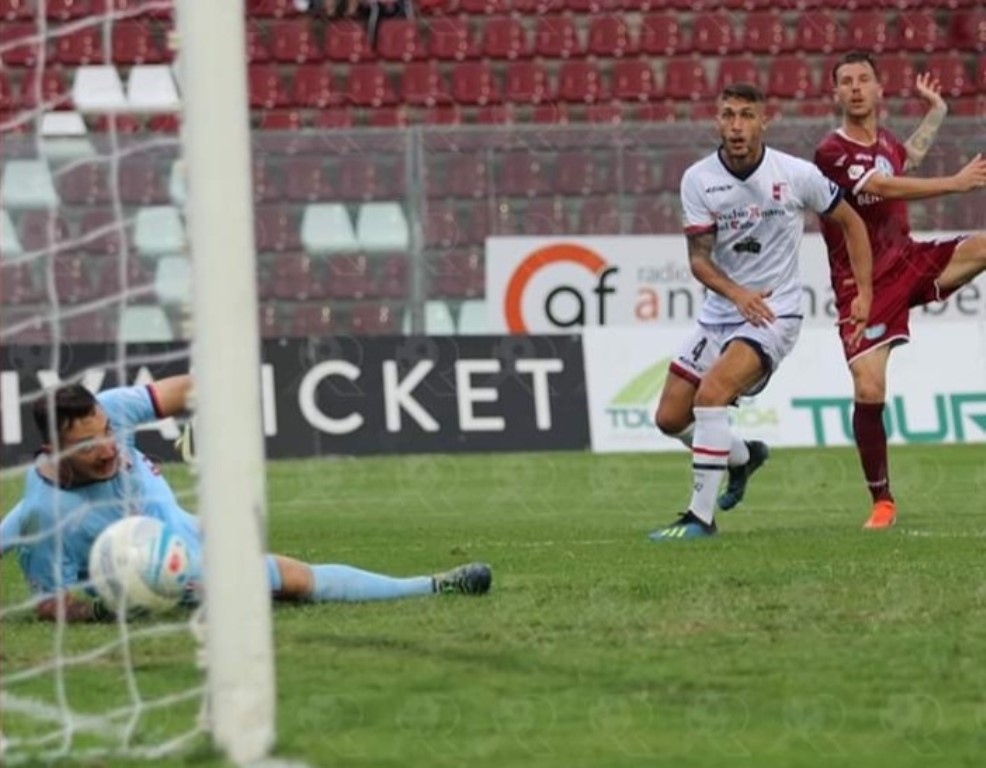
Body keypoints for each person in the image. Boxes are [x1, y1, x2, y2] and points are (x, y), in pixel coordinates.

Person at [0, 376, 491, 622]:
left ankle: (432, 585)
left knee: (288, 575)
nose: (109, 448)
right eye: (90, 446)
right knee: (293, 580)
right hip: (161, 564)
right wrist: (112, 606)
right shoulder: (48, 516)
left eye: (109, 433)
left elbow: (194, 384)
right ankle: (429, 586)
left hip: (178, 525)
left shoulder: (111, 409)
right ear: (54, 450)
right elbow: (51, 602)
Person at [650, 83, 874, 541]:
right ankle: (743, 457)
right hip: (721, 313)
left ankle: (700, 519)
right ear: (718, 121)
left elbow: (851, 221)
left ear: (763, 121)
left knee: (710, 396)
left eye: (746, 116)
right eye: (728, 115)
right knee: (670, 418)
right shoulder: (698, 179)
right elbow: (698, 259)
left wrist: (864, 293)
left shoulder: (795, 174)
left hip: (776, 314)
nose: (736, 126)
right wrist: (736, 294)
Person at [814, 51, 986, 530]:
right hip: (863, 283)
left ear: (878, 89)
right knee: (869, 389)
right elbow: (885, 187)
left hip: (909, 260)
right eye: (845, 81)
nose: (854, 88)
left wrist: (938, 113)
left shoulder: (886, 141)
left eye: (863, 79)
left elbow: (903, 158)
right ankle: (882, 500)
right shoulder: (832, 151)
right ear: (836, 93)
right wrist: (953, 184)